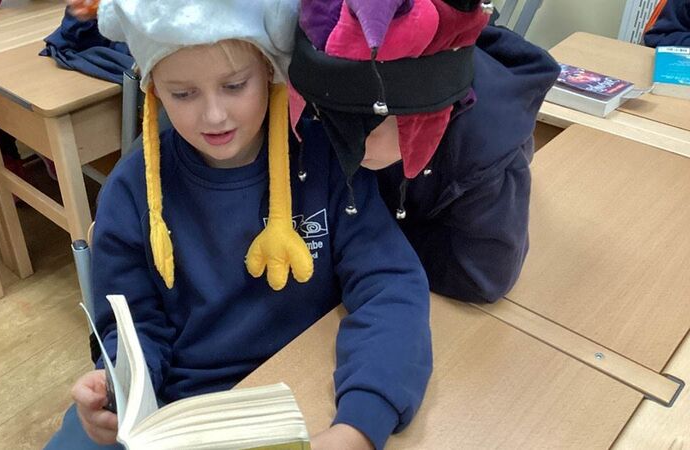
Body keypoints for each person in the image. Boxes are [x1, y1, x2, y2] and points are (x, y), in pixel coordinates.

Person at [45, 1, 432, 449]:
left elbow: (390, 284)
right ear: (153, 90)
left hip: (305, 389)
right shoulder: (131, 192)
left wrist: (361, 425)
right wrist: (117, 391)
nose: (213, 116)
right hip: (181, 407)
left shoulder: (325, 157)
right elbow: (131, 327)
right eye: (182, 94)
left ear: (270, 71)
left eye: (234, 85)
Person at [288, 0, 561, 303]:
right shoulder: (346, 118)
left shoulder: (482, 154)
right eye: (329, 119)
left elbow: (484, 275)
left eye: (362, 130)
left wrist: (372, 244)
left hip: (472, 144)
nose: (343, 144)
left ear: (421, 116)